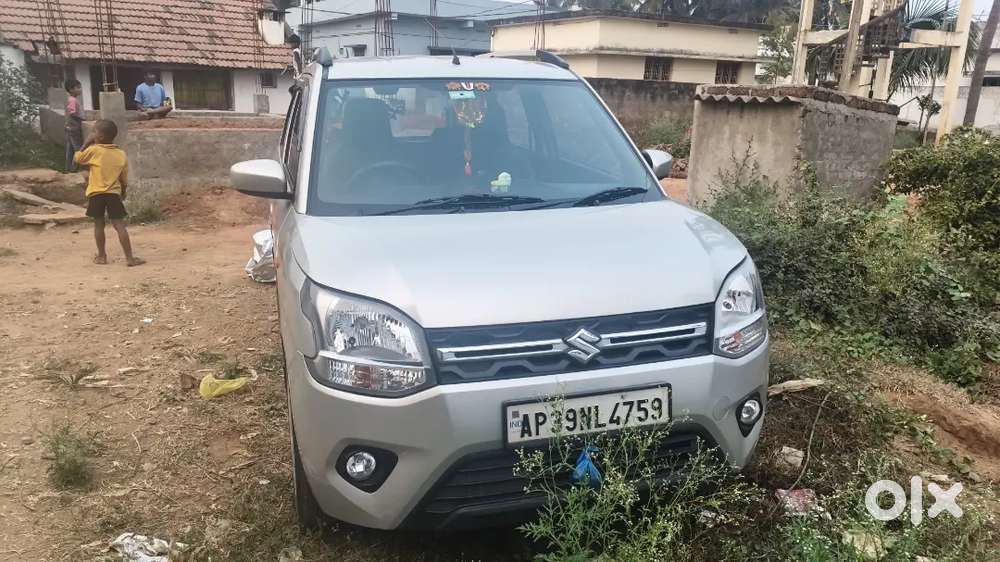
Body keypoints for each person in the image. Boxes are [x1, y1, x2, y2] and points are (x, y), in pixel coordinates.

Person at [74, 120, 145, 266]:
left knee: (98, 224)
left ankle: (102, 256)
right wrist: (123, 191)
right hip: (113, 194)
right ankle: (130, 258)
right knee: (119, 225)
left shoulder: (94, 150)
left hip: (96, 194)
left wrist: (86, 143)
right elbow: (123, 177)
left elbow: (78, 159)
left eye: (94, 131)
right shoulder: (121, 154)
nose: (92, 134)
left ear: (99, 136)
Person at [64, 79, 85, 172]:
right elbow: (72, 113)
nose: (80, 89)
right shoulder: (73, 100)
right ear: (71, 89)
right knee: (78, 149)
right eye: (78, 88)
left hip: (69, 127)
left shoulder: (71, 99)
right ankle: (74, 169)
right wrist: (82, 118)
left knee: (70, 150)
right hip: (74, 128)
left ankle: (68, 168)